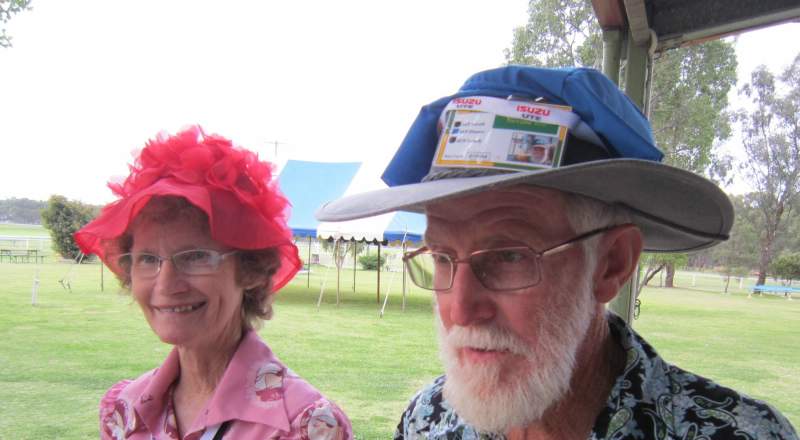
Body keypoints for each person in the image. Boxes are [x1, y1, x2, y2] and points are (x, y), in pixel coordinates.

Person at [315, 66, 798, 439]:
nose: (459, 308)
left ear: (611, 265)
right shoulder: (428, 421)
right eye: (442, 257)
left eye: (507, 256)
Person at [76, 126, 352, 440]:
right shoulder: (124, 412)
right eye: (148, 259)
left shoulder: (306, 426)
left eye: (195, 257)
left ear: (250, 269)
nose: (166, 284)